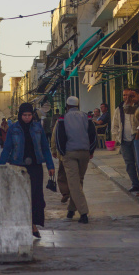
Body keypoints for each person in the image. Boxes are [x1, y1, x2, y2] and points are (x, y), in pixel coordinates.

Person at [0, 103, 55, 239]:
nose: (27, 118)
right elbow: (7, 148)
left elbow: (45, 147)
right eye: (25, 115)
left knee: (36, 197)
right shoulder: (13, 129)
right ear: (20, 115)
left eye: (29, 115)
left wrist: (50, 165)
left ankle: (33, 224)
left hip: (35, 166)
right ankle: (23, 224)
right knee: (20, 195)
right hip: (18, 166)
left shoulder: (38, 128)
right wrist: (0, 166)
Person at [54, 95, 96, 223]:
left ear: (67, 106)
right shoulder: (86, 117)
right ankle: (71, 210)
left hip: (70, 153)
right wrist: (91, 150)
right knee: (78, 181)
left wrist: (61, 152)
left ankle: (83, 213)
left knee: (74, 183)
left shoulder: (63, 118)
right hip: (84, 153)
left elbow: (59, 136)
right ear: (78, 105)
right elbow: (92, 134)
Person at [112, 87, 139, 192]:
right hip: (124, 140)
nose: (126, 97)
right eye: (124, 95)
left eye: (129, 95)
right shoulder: (119, 109)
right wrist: (116, 138)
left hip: (136, 139)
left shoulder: (137, 107)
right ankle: (135, 184)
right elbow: (115, 124)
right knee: (129, 163)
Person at [50, 118, 70, 204]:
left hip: (63, 152)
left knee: (62, 174)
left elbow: (54, 136)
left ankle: (65, 192)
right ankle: (75, 193)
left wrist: (53, 150)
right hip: (77, 151)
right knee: (75, 175)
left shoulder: (61, 121)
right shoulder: (81, 118)